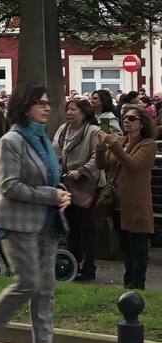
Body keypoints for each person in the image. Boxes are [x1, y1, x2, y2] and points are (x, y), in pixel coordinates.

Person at [0, 83, 76, 343]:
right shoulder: (11, 141)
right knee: (29, 283)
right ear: (24, 106)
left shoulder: (43, 140)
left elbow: (49, 178)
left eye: (48, 103)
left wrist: (61, 192)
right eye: (40, 103)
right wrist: (50, 195)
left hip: (47, 222)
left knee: (46, 288)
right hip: (17, 223)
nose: (47, 107)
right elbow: (8, 186)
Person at [96, 105, 156, 289]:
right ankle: (128, 283)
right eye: (125, 118)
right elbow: (103, 165)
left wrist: (113, 145)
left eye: (132, 119)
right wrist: (100, 148)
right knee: (124, 247)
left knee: (137, 247)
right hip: (116, 203)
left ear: (142, 124)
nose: (127, 121)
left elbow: (132, 165)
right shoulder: (121, 141)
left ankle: (139, 285)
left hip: (136, 203)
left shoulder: (148, 145)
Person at [52, 97, 101, 282]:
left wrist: (82, 171)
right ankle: (73, 261)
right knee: (71, 224)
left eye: (73, 109)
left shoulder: (93, 132)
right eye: (68, 109)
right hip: (67, 183)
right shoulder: (62, 130)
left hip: (88, 184)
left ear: (84, 112)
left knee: (87, 224)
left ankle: (89, 267)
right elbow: (55, 150)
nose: (69, 113)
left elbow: (98, 156)